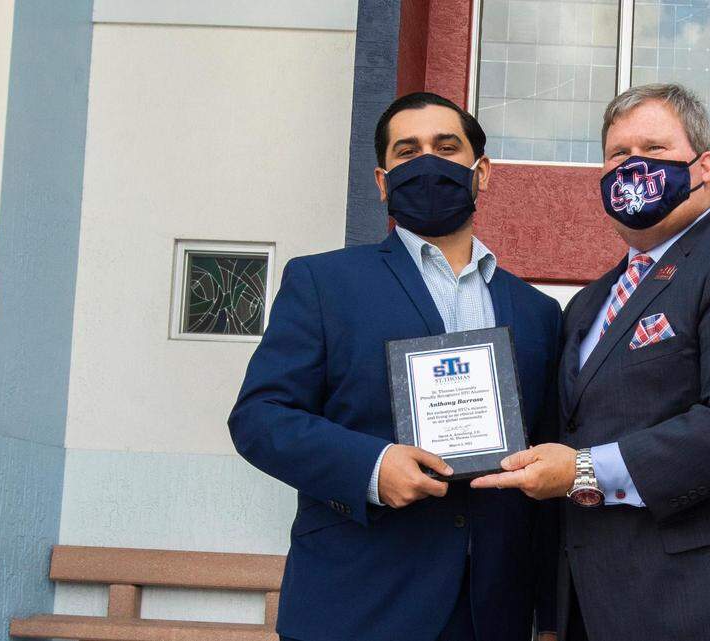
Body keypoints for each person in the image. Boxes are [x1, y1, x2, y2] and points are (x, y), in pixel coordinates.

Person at [472, 83, 710, 640]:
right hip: (589, 610)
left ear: (704, 166)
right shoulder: (590, 303)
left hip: (704, 605)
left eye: (655, 150)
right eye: (618, 155)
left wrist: (584, 470)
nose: (632, 167)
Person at [228, 92, 560, 641]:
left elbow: (545, 459)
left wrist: (548, 617)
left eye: (446, 147)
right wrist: (371, 466)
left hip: (490, 613)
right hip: (358, 604)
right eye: (408, 152)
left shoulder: (538, 312)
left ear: (483, 172)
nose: (427, 161)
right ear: (383, 181)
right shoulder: (323, 283)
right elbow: (260, 417)